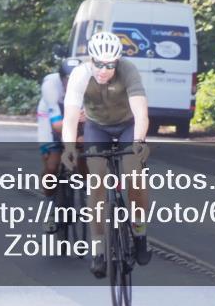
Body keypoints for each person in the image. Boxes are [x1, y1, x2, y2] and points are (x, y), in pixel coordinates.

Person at [61, 31, 152, 275]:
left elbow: (141, 114)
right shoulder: (80, 74)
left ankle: (140, 231)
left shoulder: (128, 70)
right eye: (99, 64)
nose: (103, 70)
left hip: (127, 124)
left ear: (117, 62)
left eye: (110, 65)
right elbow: (70, 119)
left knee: (134, 173)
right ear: (91, 60)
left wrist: (138, 142)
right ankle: (99, 248)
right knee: (97, 181)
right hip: (96, 127)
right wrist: (69, 148)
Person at [37, 53, 87, 232]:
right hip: (54, 120)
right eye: (68, 80)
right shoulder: (51, 86)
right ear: (61, 79)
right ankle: (50, 207)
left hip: (76, 118)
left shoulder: (91, 83)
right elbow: (57, 125)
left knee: (86, 150)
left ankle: (86, 187)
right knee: (52, 166)